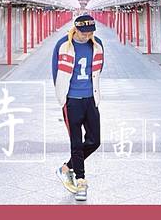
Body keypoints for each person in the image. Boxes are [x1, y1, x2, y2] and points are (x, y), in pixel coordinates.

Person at [51, 14, 104, 202]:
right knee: (76, 142)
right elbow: (56, 72)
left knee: (94, 141)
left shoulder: (97, 44)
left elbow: (98, 69)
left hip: (90, 99)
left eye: (90, 33)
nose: (87, 36)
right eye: (84, 33)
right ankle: (81, 182)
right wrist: (63, 97)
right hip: (72, 100)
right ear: (75, 29)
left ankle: (66, 168)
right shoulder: (63, 45)